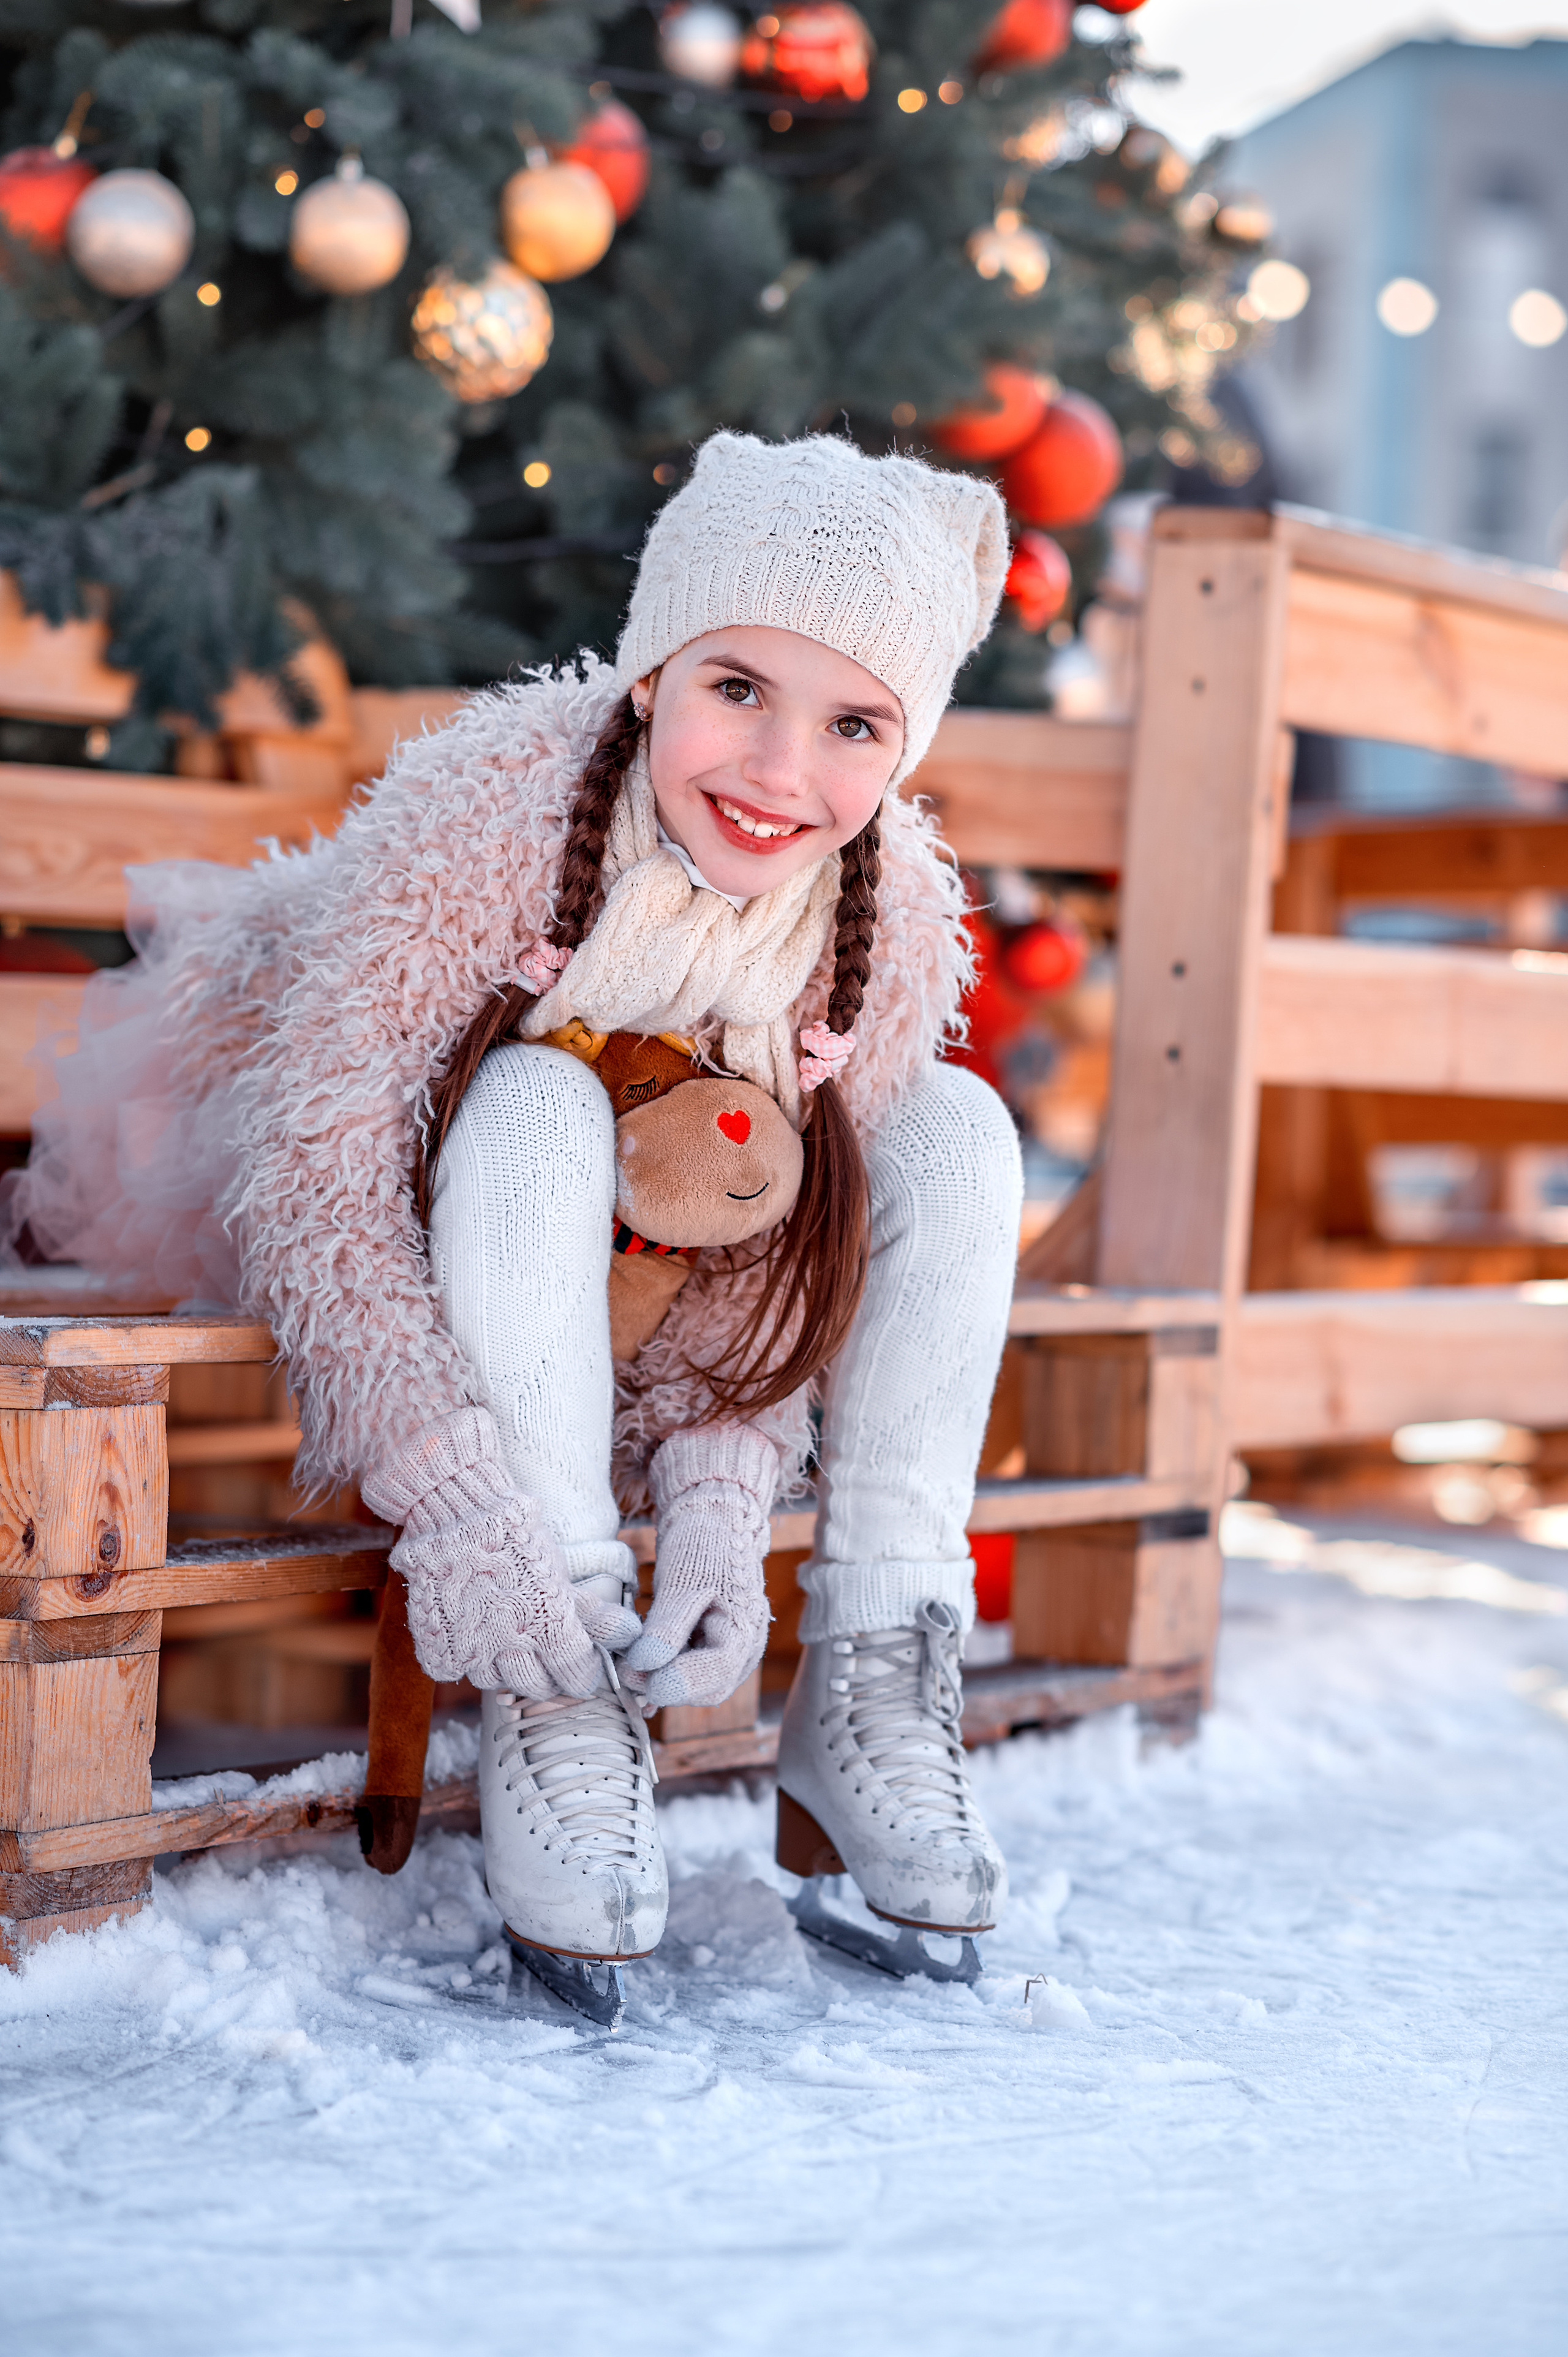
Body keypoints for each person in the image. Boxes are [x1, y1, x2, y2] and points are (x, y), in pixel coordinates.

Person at [5, 431, 1023, 1988]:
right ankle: (556, 1686)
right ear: (650, 674)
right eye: (736, 687)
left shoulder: (876, 920)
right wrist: (460, 1507)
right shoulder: (495, 817)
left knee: (951, 1131)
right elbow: (318, 1170)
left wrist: (725, 1475)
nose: (777, 773)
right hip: (404, 1242)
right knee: (540, 1098)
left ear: (901, 748)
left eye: (851, 724)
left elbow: (779, 1230)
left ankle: (880, 1665)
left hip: (646, 1278)